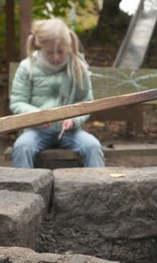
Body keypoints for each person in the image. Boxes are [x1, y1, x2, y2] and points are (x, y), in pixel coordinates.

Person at [10, 18, 105, 168]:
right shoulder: (27, 67)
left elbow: (87, 102)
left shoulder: (78, 67)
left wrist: (74, 119)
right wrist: (37, 116)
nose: (56, 57)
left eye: (60, 52)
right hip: (37, 130)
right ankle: (23, 190)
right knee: (22, 147)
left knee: (93, 146)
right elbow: (17, 102)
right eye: (50, 53)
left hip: (70, 132)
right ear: (40, 46)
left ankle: (100, 188)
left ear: (68, 46)